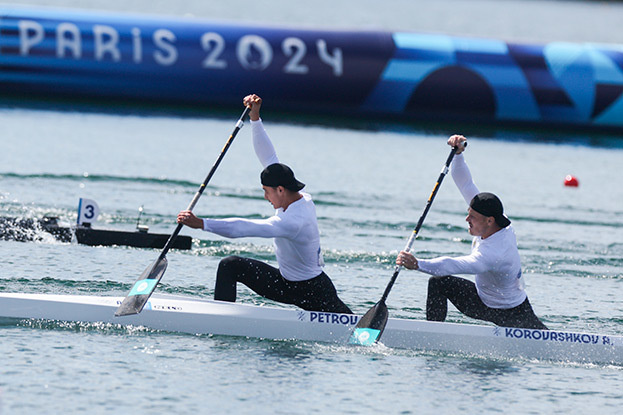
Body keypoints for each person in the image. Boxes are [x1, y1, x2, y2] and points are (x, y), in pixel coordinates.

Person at [177, 94, 352, 314]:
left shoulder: (292, 221)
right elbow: (268, 156)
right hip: (285, 283)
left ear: (280, 189)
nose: (265, 198)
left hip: (312, 291)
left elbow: (244, 228)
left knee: (352, 328)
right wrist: (255, 117)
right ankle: (221, 317)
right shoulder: (295, 194)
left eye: (266, 192)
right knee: (230, 265)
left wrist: (202, 224)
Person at [396, 134, 547, 329]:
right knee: (438, 283)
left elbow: (453, 265)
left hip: (513, 313)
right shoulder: (494, 216)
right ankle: (432, 333)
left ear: (489, 220)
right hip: (482, 302)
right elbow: (465, 184)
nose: (467, 220)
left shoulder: (494, 252)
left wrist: (417, 264)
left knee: (550, 343)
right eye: (469, 213)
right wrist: (458, 155)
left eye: (472, 217)